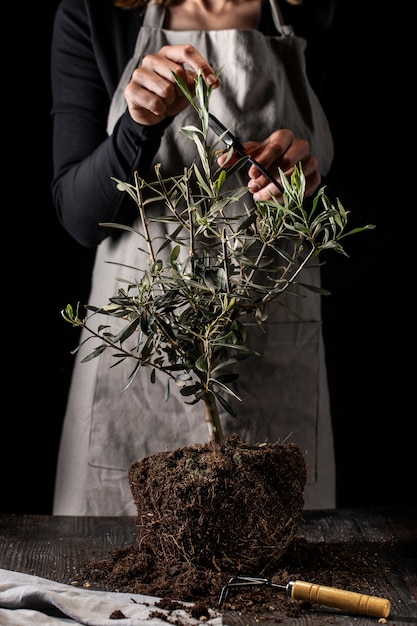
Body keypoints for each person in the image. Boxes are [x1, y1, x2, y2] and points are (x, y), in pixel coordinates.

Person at [51, 0, 338, 515]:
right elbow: (79, 215)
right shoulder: (96, 13)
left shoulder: (315, 11)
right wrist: (137, 127)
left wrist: (301, 182)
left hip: (271, 361)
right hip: (139, 366)